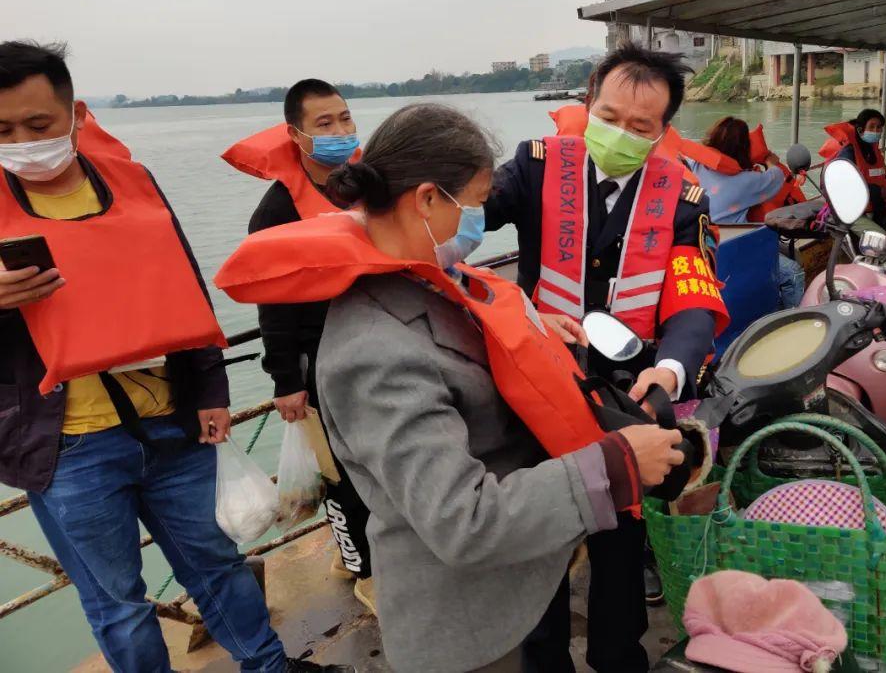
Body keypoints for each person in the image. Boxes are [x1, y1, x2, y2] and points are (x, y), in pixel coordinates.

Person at [214, 102, 687, 673]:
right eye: (480, 203)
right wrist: (614, 466)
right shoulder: (374, 351)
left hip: (521, 582)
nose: (480, 221)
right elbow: (463, 520)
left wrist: (539, 333)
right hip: (470, 630)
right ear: (429, 199)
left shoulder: (426, 281)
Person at [0, 41, 348, 673]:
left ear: (75, 114)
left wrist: (211, 389)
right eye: (2, 131)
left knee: (217, 565)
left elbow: (182, 282)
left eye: (38, 125)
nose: (23, 141)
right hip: (68, 448)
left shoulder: (129, 183)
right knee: (118, 603)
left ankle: (269, 667)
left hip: (173, 423)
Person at [485, 43, 729, 673]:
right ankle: (544, 661)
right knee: (541, 534)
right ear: (588, 100)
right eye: (610, 115)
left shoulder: (684, 196)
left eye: (640, 127)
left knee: (621, 537)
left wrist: (670, 371)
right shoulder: (536, 165)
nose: (620, 133)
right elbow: (461, 214)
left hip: (630, 392)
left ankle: (620, 657)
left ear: (663, 131)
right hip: (542, 383)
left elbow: (695, 299)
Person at [223, 78, 375, 611]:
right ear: (296, 134)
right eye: (324, 124)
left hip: (367, 349)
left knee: (375, 461)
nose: (340, 131)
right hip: (314, 360)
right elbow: (273, 303)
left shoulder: (363, 186)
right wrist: (286, 382)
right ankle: (363, 572)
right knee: (340, 473)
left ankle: (359, 551)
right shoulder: (277, 210)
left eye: (345, 119)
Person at [687, 116, 805, 308]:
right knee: (792, 273)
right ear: (743, 149)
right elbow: (776, 177)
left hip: (694, 246)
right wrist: (769, 161)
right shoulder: (748, 181)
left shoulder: (696, 165)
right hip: (727, 252)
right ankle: (792, 323)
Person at [820, 108, 886, 250]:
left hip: (875, 206)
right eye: (872, 127)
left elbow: (879, 176)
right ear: (861, 130)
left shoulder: (873, 150)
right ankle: (876, 265)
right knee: (880, 239)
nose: (876, 131)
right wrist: (878, 191)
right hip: (851, 212)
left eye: (879, 127)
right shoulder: (848, 153)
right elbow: (844, 187)